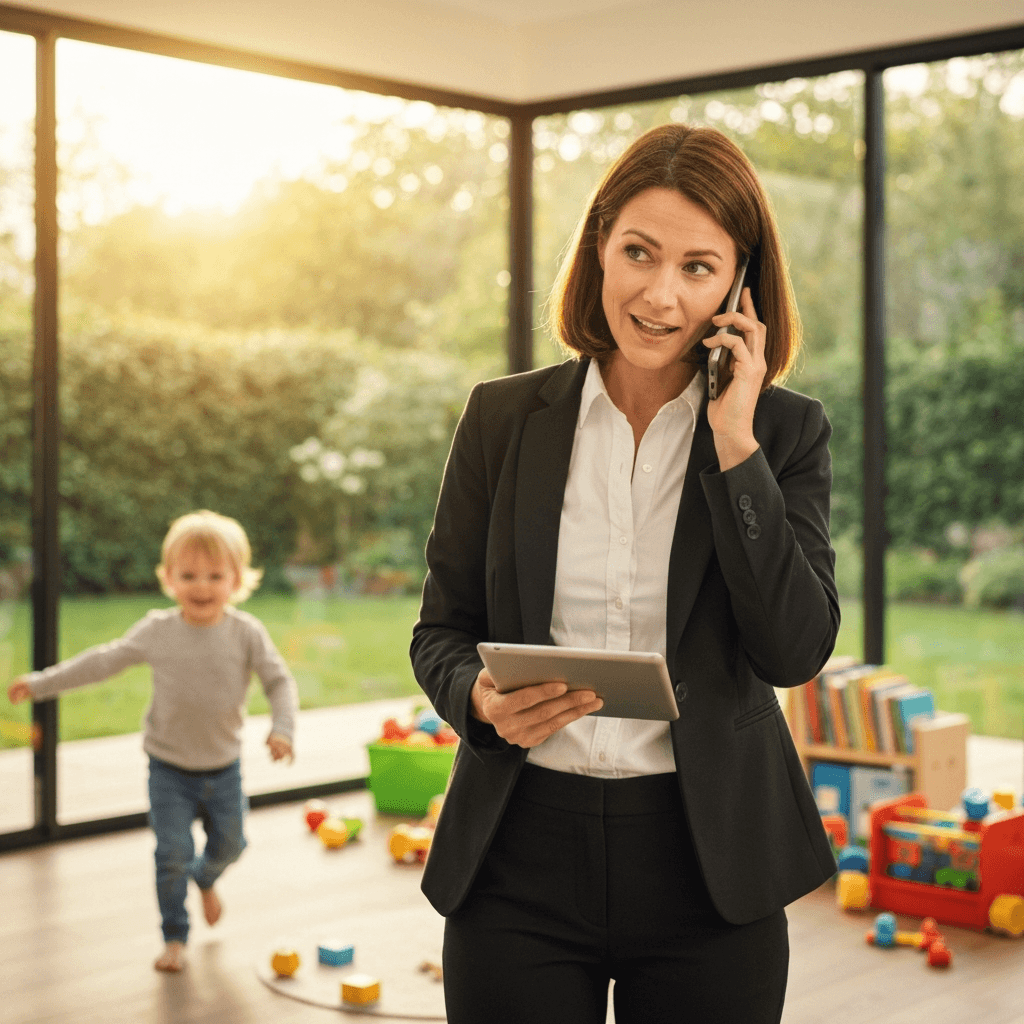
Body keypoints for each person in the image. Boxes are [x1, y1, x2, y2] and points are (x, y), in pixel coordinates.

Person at [410, 123, 840, 1024]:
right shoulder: (501, 418)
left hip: (708, 864)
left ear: (739, 286)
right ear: (598, 246)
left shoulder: (784, 434)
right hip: (516, 855)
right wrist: (482, 703)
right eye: (638, 252)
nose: (658, 293)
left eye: (698, 266)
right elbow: (441, 630)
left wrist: (733, 441)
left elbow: (795, 648)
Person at [7, 510, 298, 973]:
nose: (201, 586)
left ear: (237, 579)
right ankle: (175, 936)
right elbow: (104, 661)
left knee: (232, 844)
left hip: (224, 768)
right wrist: (43, 683)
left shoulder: (246, 633)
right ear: (168, 579)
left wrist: (282, 728)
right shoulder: (158, 631)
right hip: (169, 770)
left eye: (214, 576)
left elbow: (279, 682)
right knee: (171, 854)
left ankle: (206, 878)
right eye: (188, 575)